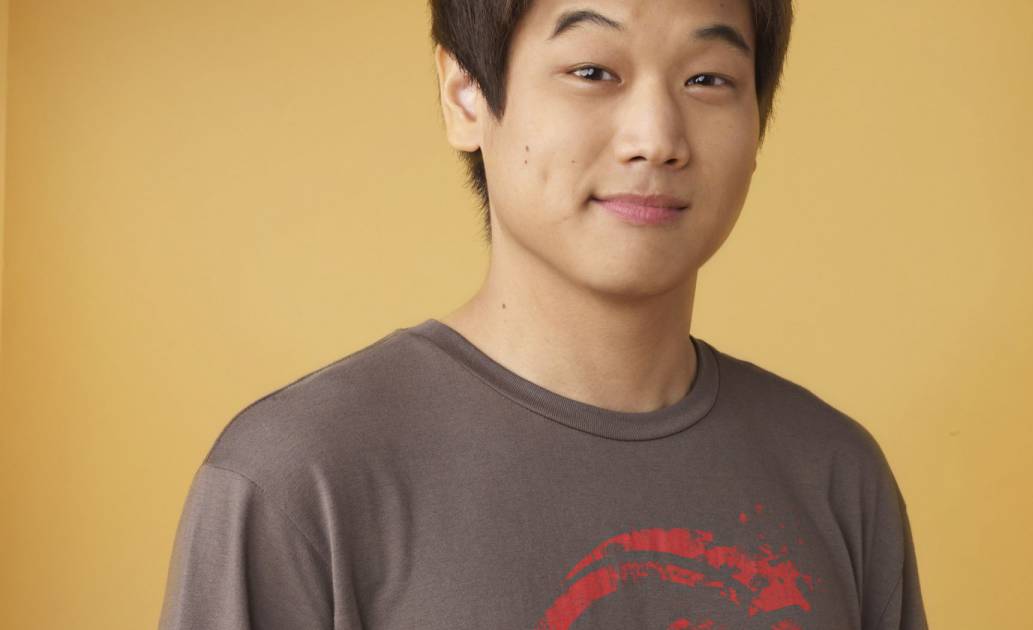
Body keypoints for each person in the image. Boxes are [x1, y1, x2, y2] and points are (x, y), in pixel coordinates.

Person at [157, 0, 928, 628]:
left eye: (707, 79)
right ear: (465, 95)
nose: (657, 139)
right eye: (593, 71)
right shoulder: (302, 479)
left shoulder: (834, 474)